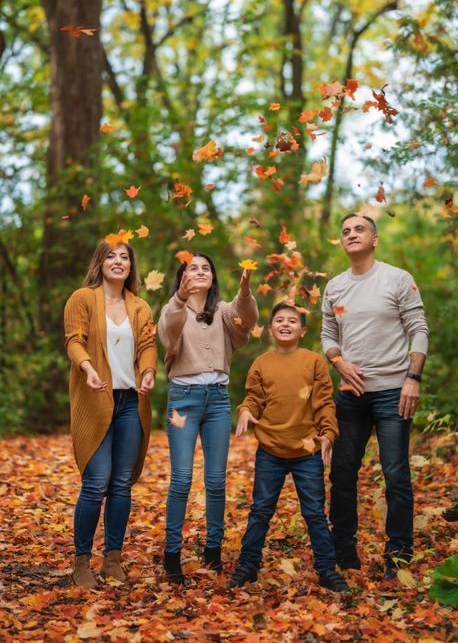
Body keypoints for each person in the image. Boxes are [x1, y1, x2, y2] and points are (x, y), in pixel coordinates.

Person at [321, 213, 429, 579]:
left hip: (393, 393)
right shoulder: (334, 286)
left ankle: (398, 557)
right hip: (351, 395)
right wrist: (337, 361)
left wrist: (413, 377)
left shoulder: (397, 279)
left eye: (359, 229)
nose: (351, 234)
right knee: (342, 473)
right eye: (346, 231)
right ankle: (344, 554)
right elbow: (327, 334)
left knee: (396, 474)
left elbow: (419, 329)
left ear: (375, 239)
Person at [227, 302, 349, 592]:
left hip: (307, 451)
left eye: (292, 320)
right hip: (270, 450)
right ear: (270, 329)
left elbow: (323, 403)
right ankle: (248, 564)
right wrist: (245, 410)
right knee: (260, 511)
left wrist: (328, 434)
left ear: (303, 330)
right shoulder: (262, 363)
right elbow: (254, 397)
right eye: (279, 319)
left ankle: (326, 569)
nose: (285, 324)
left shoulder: (314, 362)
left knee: (315, 514)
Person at [158, 252, 258, 584]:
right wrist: (181, 298)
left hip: (217, 402)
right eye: (192, 268)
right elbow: (167, 332)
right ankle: (172, 556)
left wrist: (245, 292)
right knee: (182, 479)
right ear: (182, 277)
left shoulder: (224, 310)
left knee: (216, 481)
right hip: (181, 404)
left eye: (206, 268)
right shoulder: (173, 307)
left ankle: (212, 552)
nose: (200, 272)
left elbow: (247, 319)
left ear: (213, 277)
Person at [64, 240, 157, 589]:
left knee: (121, 485)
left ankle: (113, 559)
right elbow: (74, 339)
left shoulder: (140, 306)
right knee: (95, 482)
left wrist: (148, 372)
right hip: (96, 401)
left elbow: (148, 347)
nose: (118, 262)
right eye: (111, 256)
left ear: (131, 266)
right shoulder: (83, 298)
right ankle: (81, 562)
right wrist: (87, 368)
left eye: (125, 257)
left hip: (131, 403)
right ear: (99, 262)